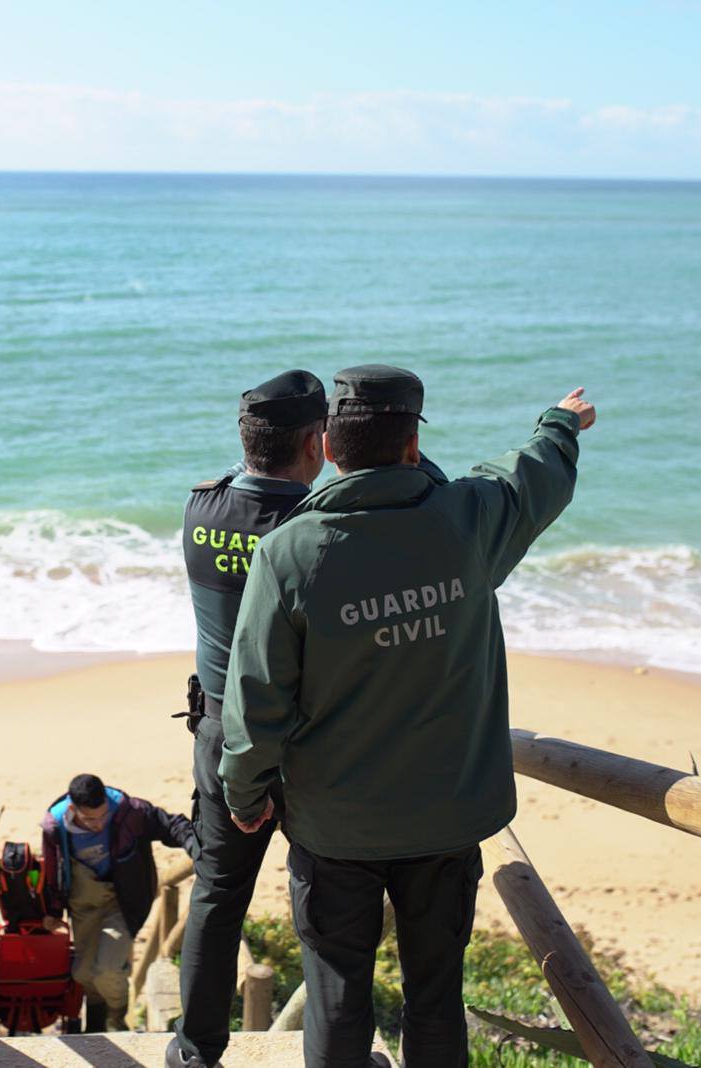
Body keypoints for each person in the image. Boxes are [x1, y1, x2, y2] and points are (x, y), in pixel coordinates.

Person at [219, 366, 595, 1068]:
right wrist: (559, 422)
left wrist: (245, 795)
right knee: (434, 995)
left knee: (336, 996)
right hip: (445, 820)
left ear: (327, 446)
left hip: (335, 827)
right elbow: (532, 478)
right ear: (415, 446)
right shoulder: (468, 519)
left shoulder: (290, 554)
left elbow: (256, 698)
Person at [170, 369, 446, 1068]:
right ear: (317, 442)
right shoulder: (315, 528)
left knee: (217, 894)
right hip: (308, 747)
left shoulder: (201, 511)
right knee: (327, 915)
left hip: (218, 730)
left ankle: (195, 1053)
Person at [40, 773, 197, 1033]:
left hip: (123, 901)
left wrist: (195, 845)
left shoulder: (128, 812)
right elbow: (52, 871)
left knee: (108, 970)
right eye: (91, 819)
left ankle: (117, 1018)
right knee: (82, 974)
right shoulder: (54, 826)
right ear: (72, 810)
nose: (100, 824)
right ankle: (95, 1024)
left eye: (103, 815)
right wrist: (53, 910)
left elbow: (170, 825)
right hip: (83, 902)